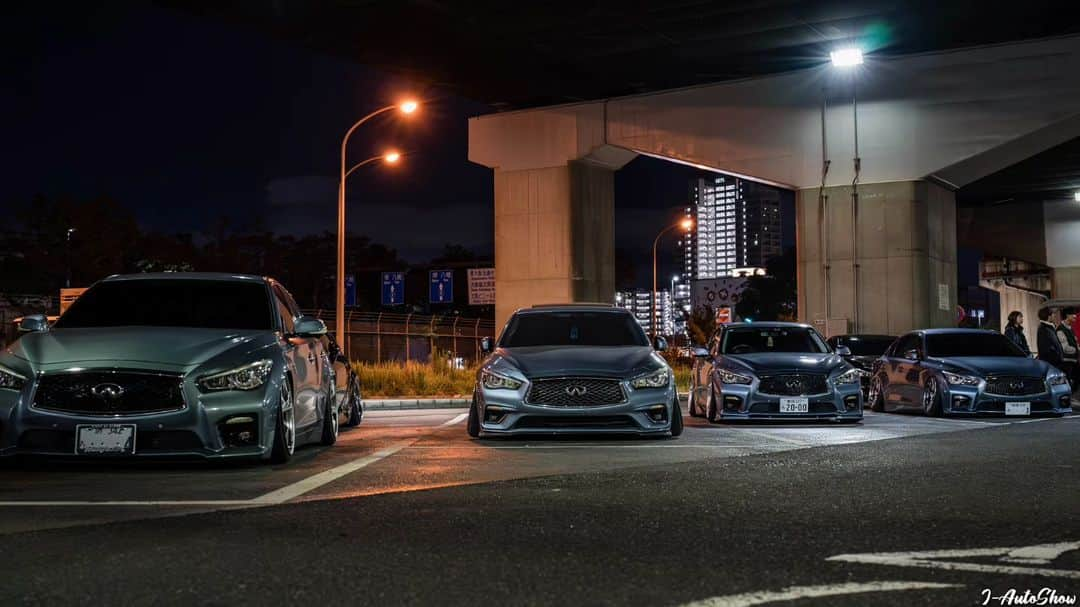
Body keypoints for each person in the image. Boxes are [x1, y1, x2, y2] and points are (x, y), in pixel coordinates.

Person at [1057, 306, 1078, 391]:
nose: (1075, 316)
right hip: (1067, 362)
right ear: (1067, 315)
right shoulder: (1060, 330)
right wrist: (1077, 350)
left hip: (1073, 361)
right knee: (1068, 386)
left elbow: (1074, 343)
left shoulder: (1070, 328)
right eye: (1073, 314)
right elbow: (1065, 348)